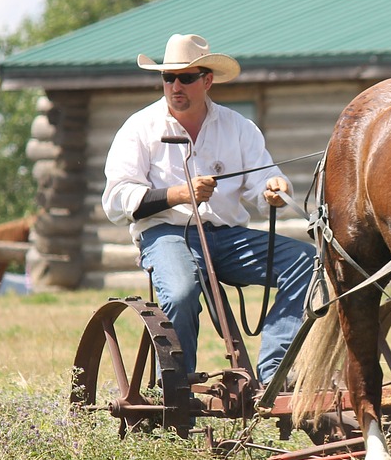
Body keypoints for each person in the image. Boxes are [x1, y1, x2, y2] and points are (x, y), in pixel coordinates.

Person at [101, 34, 315, 386]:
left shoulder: (238, 127)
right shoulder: (139, 128)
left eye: (185, 77)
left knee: (307, 261)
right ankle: (176, 391)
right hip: (167, 235)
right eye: (168, 77)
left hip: (226, 239)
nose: (175, 86)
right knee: (182, 293)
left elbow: (266, 179)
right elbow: (116, 200)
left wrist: (276, 189)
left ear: (207, 80)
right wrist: (179, 194)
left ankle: (274, 374)